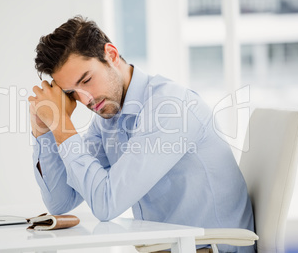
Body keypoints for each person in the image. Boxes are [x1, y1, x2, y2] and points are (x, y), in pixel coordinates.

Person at [28, 15, 255, 253]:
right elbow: (61, 202)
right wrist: (43, 130)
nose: (85, 99)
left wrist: (63, 125)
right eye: (71, 92)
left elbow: (106, 204)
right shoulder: (108, 117)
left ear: (112, 55)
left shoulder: (169, 109)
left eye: (87, 80)